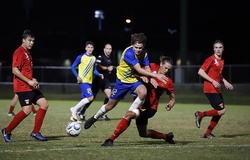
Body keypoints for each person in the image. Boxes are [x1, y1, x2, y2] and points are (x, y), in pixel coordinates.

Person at [84, 32, 168, 130]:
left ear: (143, 46)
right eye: (136, 47)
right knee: (109, 106)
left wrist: (152, 78)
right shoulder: (128, 53)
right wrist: (156, 75)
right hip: (122, 82)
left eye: (140, 48)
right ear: (132, 45)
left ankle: (128, 115)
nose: (138, 50)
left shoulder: (144, 53)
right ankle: (94, 118)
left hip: (134, 80)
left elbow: (146, 67)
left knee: (143, 92)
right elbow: (139, 69)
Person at [101, 56, 176, 146]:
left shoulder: (168, 81)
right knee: (143, 134)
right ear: (160, 64)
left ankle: (110, 140)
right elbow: (135, 73)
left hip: (150, 108)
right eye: (165, 68)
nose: (167, 71)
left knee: (129, 115)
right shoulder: (151, 67)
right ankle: (166, 136)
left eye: (169, 69)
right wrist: (143, 77)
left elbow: (172, 99)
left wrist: (170, 104)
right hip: (138, 102)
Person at [2, 30, 49, 142]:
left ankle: (35, 132)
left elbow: (25, 71)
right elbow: (14, 70)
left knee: (44, 105)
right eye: (29, 40)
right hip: (22, 87)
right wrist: (28, 81)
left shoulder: (27, 53)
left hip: (29, 86)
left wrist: (33, 80)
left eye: (33, 41)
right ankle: (7, 130)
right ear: (23, 40)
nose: (31, 43)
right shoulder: (19, 52)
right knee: (27, 110)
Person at [194, 40, 234, 139]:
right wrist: (212, 81)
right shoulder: (210, 59)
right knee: (222, 111)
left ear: (223, 49)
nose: (218, 49)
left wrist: (224, 81)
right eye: (216, 47)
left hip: (217, 89)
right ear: (213, 49)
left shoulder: (221, 61)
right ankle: (200, 114)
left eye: (220, 47)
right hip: (210, 88)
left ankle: (207, 133)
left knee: (218, 112)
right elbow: (200, 72)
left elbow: (218, 75)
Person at [78, 43, 114, 122]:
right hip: (98, 80)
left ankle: (103, 113)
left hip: (106, 80)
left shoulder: (110, 58)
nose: (108, 50)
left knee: (109, 96)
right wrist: (107, 68)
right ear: (104, 49)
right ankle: (82, 112)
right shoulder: (100, 56)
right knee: (91, 98)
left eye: (110, 49)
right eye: (107, 48)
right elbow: (97, 66)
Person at [70, 41, 104, 122]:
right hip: (82, 81)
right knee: (90, 97)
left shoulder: (93, 58)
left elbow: (94, 70)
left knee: (84, 100)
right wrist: (77, 76)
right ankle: (74, 109)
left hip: (89, 82)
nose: (90, 49)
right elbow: (72, 67)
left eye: (91, 47)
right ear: (85, 48)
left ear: (93, 49)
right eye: (88, 47)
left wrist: (99, 74)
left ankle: (73, 117)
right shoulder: (80, 57)